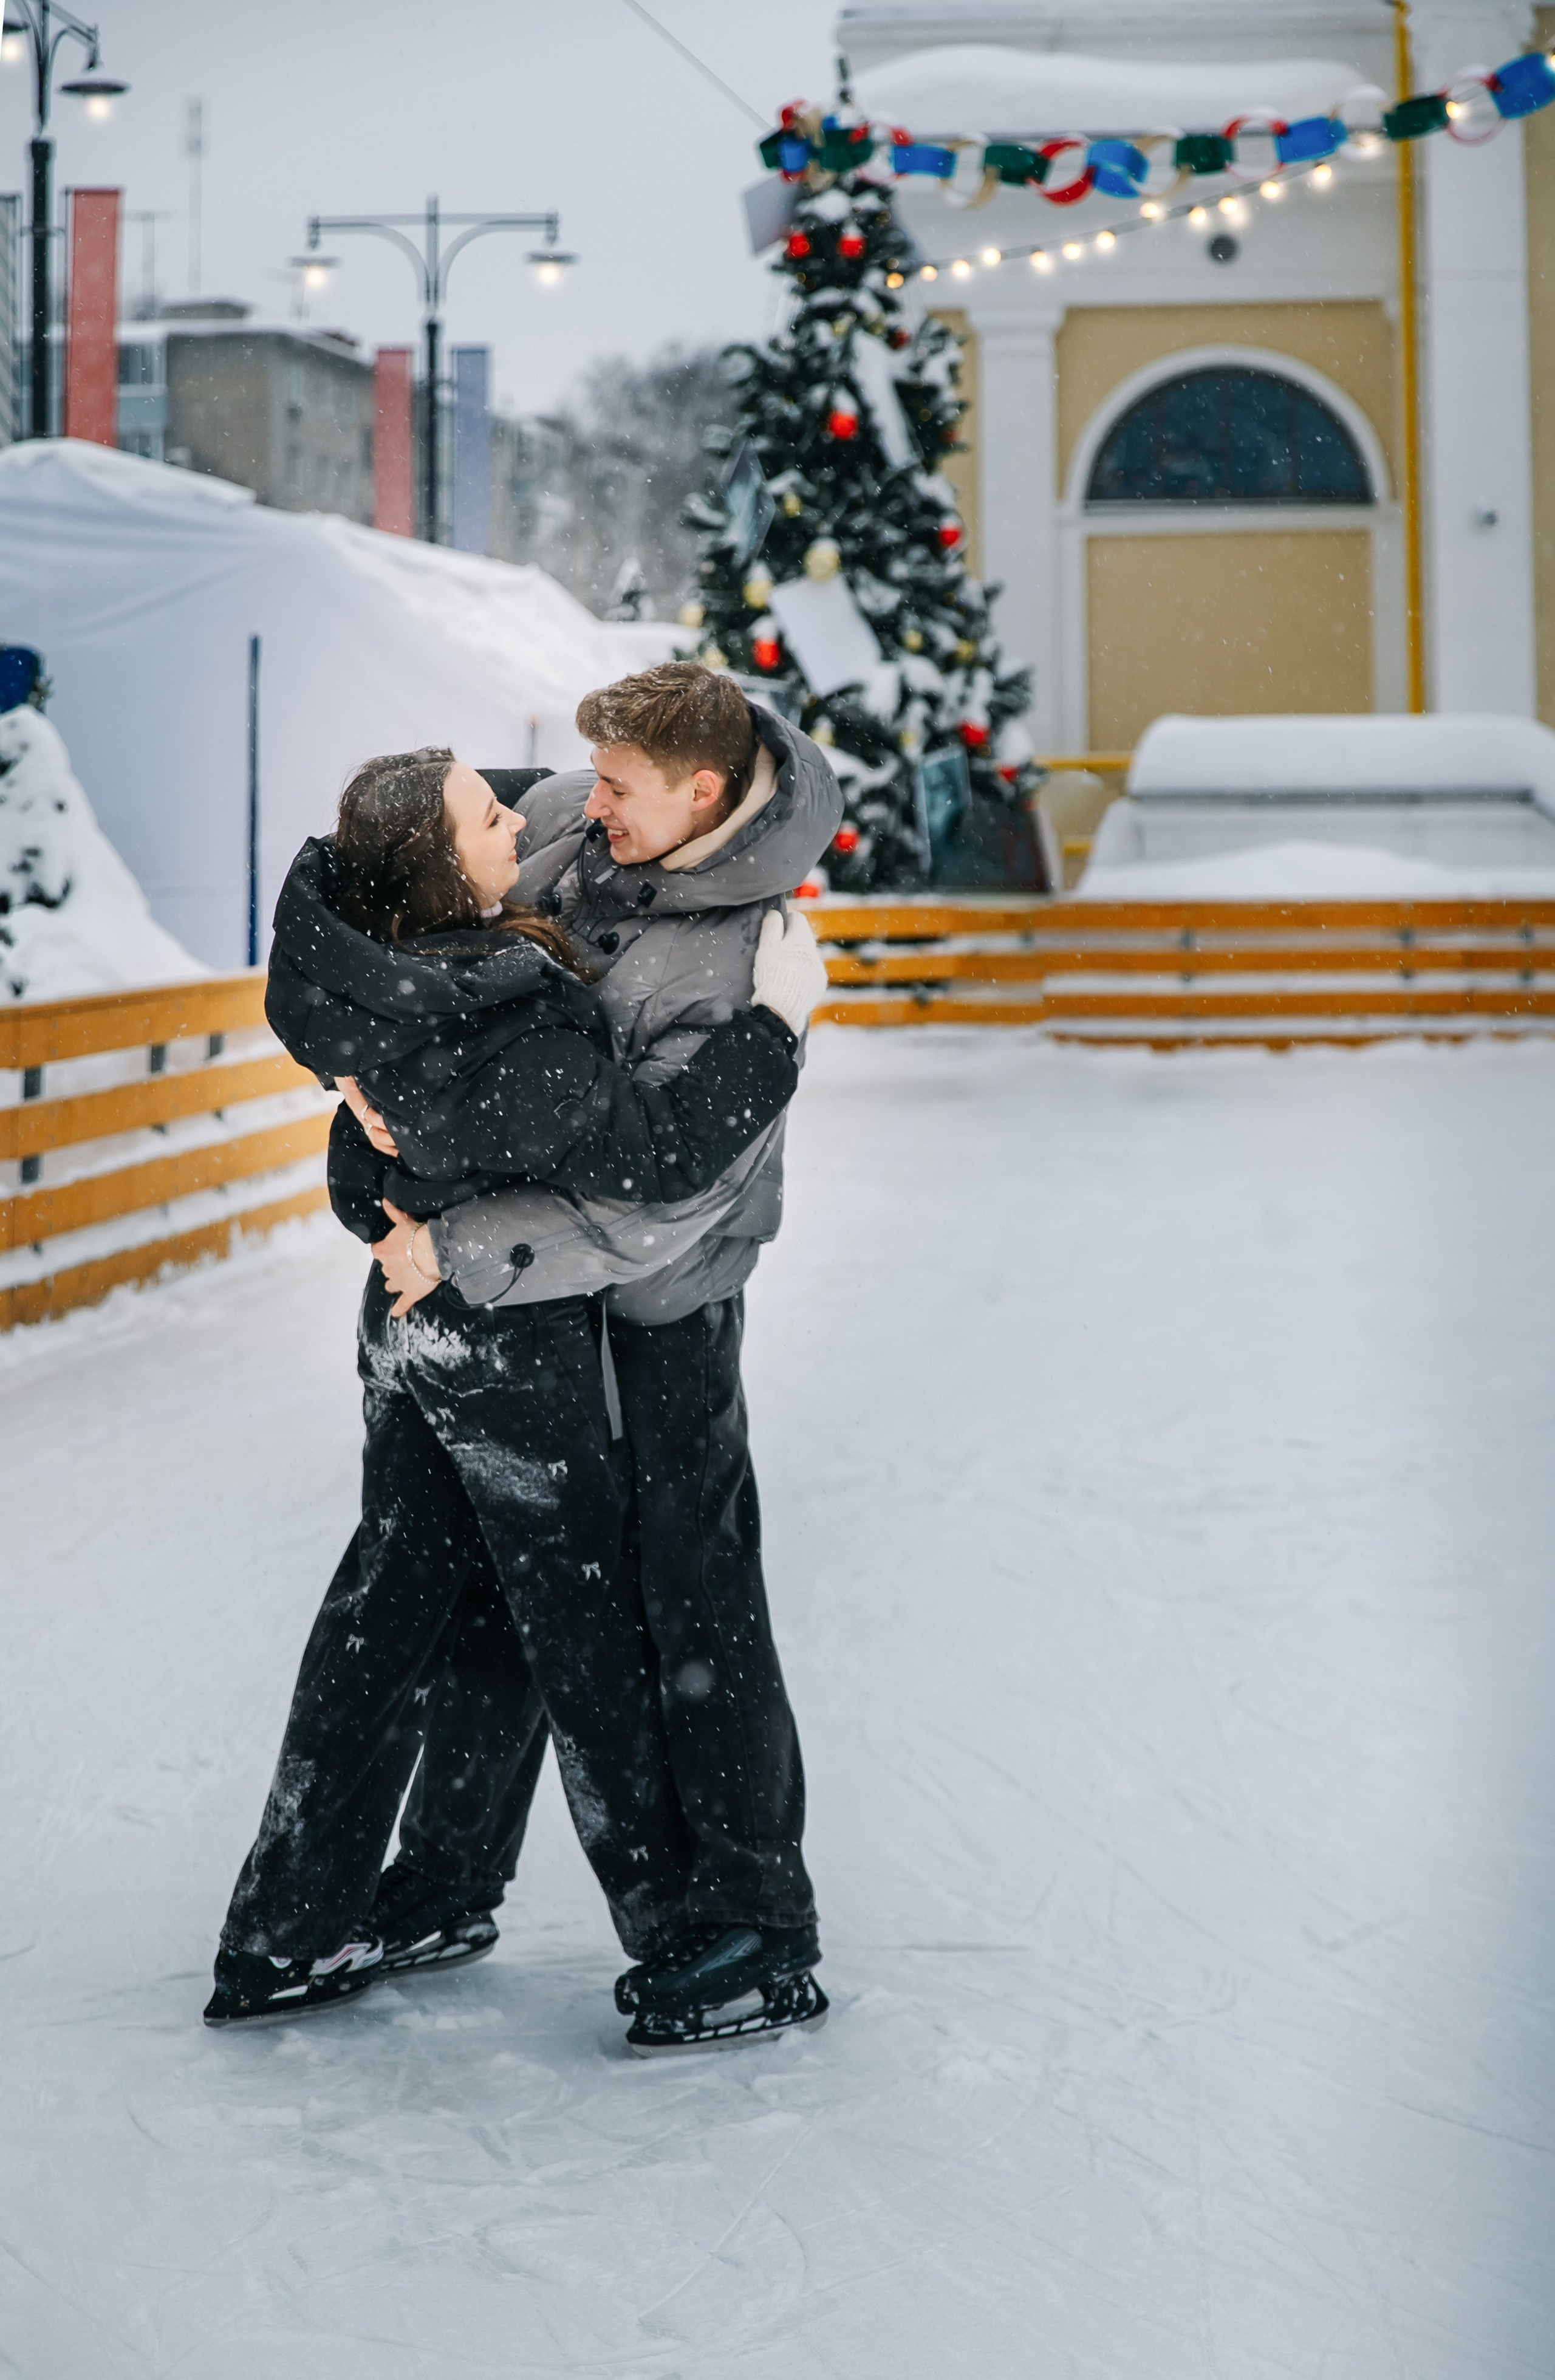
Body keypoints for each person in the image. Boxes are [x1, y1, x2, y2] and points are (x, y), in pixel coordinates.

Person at [205, 744, 827, 2028]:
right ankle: (686, 1925)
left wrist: (373, 1131)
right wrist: (772, 1031)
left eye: (609, 782)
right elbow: (660, 1156)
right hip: (508, 1338)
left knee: (407, 1603)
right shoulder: (516, 1015)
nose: (547, 812)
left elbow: (359, 1165)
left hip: (408, 1324)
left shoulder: (385, 972)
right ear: (442, 874)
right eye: (493, 816)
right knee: (581, 1630)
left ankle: (301, 1921)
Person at [361, 663, 842, 2052]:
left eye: (620, 788)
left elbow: (659, 1209)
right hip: (539, 1318)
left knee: (695, 1611)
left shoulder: (750, 958)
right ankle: (446, 1881)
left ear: (702, 792)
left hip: (662, 1320)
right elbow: (438, 875)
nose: (588, 807)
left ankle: (758, 1928)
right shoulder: (587, 819)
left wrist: (459, 1247)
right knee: (516, 1591)